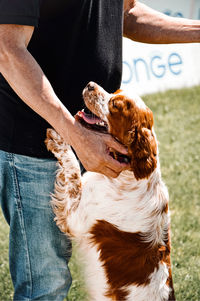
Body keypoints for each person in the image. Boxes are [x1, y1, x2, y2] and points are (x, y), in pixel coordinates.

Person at [0, 0, 199, 300]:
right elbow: (7, 49)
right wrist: (75, 138)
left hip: (98, 134)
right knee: (45, 287)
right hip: (36, 140)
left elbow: (128, 13)